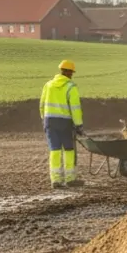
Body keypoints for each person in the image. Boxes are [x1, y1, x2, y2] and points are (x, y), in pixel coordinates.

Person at [40, 60, 84, 188]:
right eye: (71, 72)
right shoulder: (71, 87)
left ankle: (56, 180)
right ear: (69, 72)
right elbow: (75, 108)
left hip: (50, 121)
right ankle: (70, 179)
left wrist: (44, 120)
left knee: (54, 150)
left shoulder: (48, 85)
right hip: (65, 123)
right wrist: (79, 125)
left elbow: (42, 105)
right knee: (69, 150)